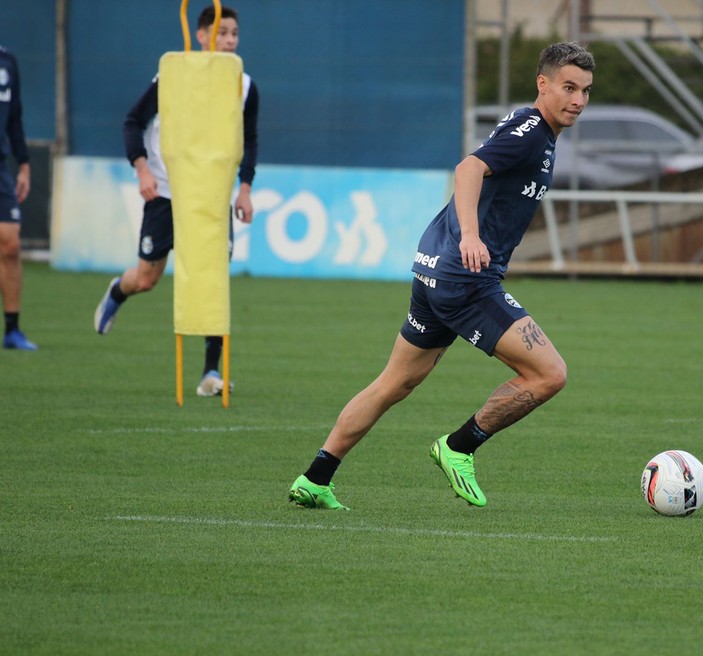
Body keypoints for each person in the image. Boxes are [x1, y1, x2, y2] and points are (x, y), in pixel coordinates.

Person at [289, 42, 595, 510]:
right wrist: (470, 236)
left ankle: (315, 477)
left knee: (394, 383)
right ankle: (459, 447)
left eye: (585, 91)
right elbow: (469, 167)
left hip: (433, 271)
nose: (577, 100)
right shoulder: (532, 131)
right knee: (549, 373)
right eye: (568, 88)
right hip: (466, 278)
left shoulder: (532, 128)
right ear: (543, 84)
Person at [94, 5, 259, 396]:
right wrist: (142, 170)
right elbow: (132, 122)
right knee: (147, 278)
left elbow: (248, 139)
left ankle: (209, 374)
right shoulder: (173, 76)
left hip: (212, 195)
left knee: (212, 277)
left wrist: (246, 187)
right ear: (201, 36)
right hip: (166, 191)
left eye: (234, 33)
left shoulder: (244, 85)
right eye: (221, 32)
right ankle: (119, 290)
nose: (229, 40)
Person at [0, 45, 36, 351]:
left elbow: (14, 117)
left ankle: (12, 329)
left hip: (1, 166)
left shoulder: (7, 61)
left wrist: (23, 165)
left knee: (10, 243)